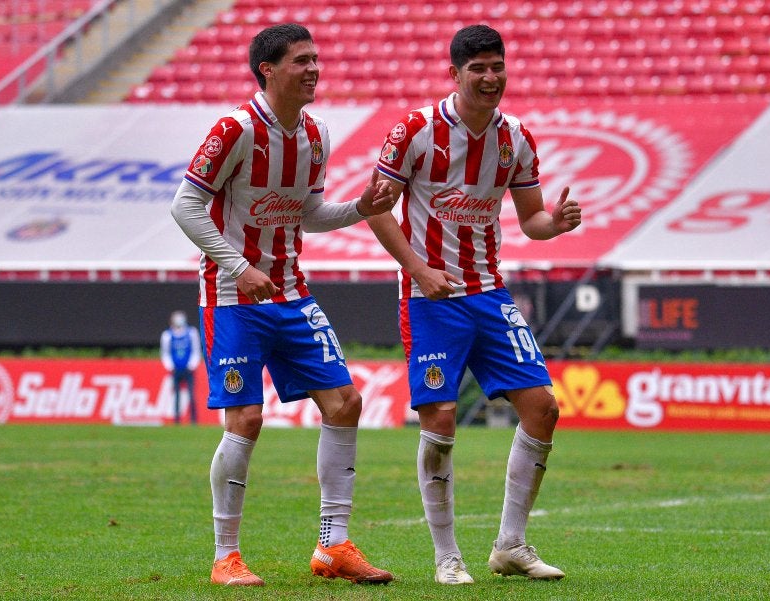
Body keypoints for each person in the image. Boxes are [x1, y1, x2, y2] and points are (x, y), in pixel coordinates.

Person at [170, 23, 396, 587]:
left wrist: (361, 207)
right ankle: (226, 556)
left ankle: (334, 546)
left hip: (292, 292)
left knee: (344, 402)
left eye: (316, 58)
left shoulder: (315, 134)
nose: (314, 69)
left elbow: (310, 215)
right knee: (246, 418)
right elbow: (185, 207)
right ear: (268, 69)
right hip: (231, 297)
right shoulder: (234, 129)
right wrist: (237, 266)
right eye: (301, 60)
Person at [366, 24, 582, 585]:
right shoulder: (415, 131)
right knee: (440, 418)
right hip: (431, 297)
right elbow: (375, 207)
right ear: (455, 74)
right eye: (478, 69)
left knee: (544, 408)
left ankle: (511, 544)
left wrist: (553, 225)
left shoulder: (515, 138)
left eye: (497, 67)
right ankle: (447, 555)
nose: (490, 78)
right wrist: (417, 267)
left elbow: (531, 219)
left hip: (489, 292)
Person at [159, 310, 202, 424]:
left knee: (191, 395)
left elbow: (196, 350)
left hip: (188, 370)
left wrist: (192, 365)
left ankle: (194, 420)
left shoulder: (191, 332)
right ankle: (176, 420)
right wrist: (170, 366)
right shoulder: (167, 335)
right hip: (176, 370)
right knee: (176, 395)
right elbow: (165, 353)